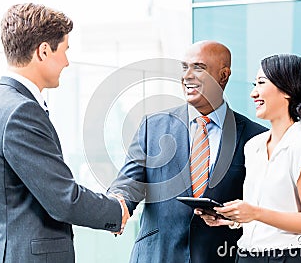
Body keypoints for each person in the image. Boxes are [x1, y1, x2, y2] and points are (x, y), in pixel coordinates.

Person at [0, 3, 129, 263]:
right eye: (65, 50)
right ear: (43, 51)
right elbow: (64, 199)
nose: (67, 62)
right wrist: (115, 211)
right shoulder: (22, 112)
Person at [109, 40, 267, 263]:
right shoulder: (152, 127)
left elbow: (264, 207)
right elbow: (129, 182)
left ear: (223, 75)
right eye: (185, 68)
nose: (187, 76)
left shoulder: (257, 137)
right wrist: (118, 204)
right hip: (158, 255)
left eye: (199, 68)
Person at [196, 54, 301, 262]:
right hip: (246, 256)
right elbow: (265, 211)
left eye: (261, 83)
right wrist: (231, 218)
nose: (253, 93)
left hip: (285, 257)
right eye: (254, 84)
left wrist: (256, 213)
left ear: (286, 89)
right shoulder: (254, 147)